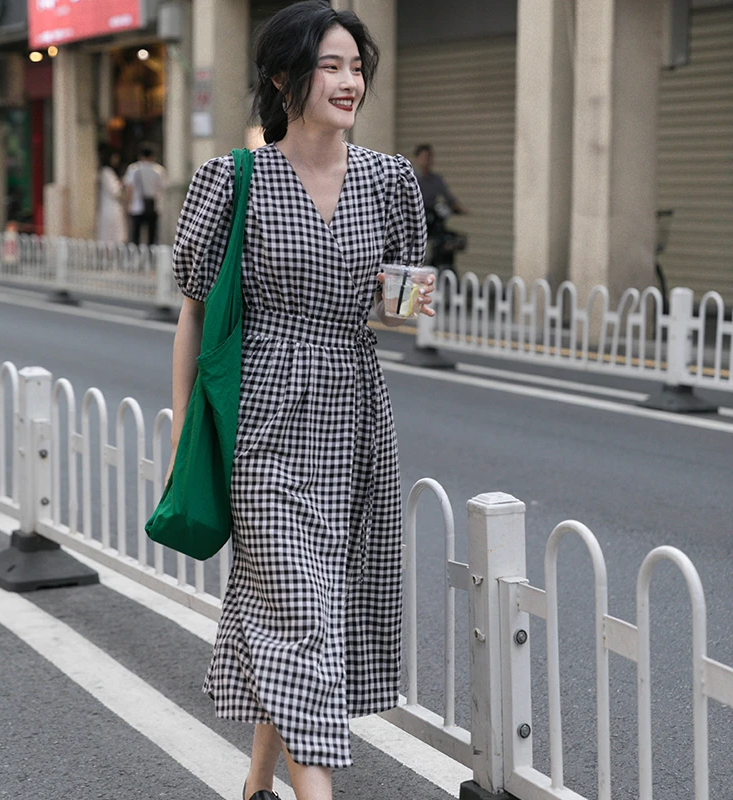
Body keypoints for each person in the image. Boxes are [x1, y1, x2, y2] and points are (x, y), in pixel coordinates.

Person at [169, 3, 434, 799]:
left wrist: (408, 295)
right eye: (332, 65)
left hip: (353, 418)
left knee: (305, 612)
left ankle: (255, 785)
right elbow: (192, 308)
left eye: (357, 67)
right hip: (262, 425)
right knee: (301, 617)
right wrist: (189, 431)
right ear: (285, 77)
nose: (350, 81)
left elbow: (404, 311)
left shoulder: (391, 181)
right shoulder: (233, 180)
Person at [123, 143, 166, 245]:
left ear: (140, 156)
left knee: (135, 236)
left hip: (136, 206)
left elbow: (129, 188)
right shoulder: (158, 170)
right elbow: (162, 189)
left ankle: (136, 257)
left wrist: (127, 204)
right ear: (152, 156)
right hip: (153, 206)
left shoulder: (133, 169)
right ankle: (151, 257)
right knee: (152, 236)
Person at [96, 145, 127, 244]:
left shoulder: (108, 172)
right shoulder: (106, 172)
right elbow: (115, 191)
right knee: (111, 237)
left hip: (111, 208)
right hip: (110, 209)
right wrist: (122, 183)